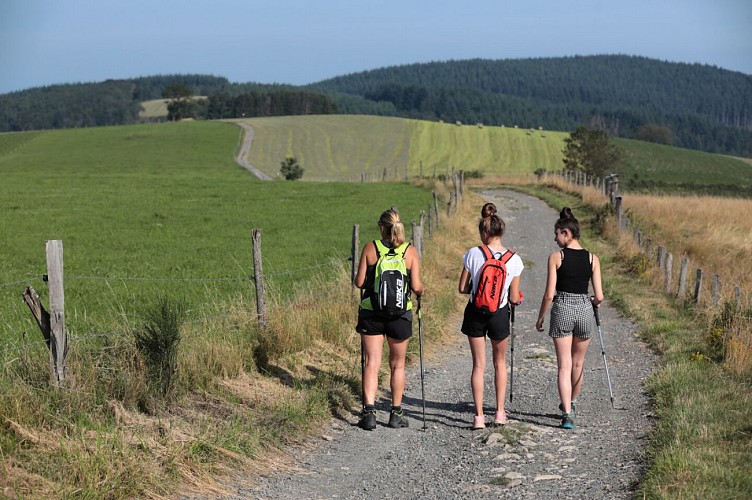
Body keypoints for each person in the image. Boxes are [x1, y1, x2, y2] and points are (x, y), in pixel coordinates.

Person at [354, 208, 424, 430]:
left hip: (371, 313)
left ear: (381, 227)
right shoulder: (409, 252)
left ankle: (369, 413)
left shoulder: (370, 248)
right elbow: (415, 286)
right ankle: (395, 413)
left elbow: (358, 282)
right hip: (400, 316)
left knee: (371, 363)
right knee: (398, 365)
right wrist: (421, 291)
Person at [535, 207, 604, 430]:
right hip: (584, 308)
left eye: (557, 234)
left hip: (562, 307)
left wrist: (541, 317)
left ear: (566, 233)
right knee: (578, 363)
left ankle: (566, 414)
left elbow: (548, 294)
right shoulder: (593, 259)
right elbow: (600, 296)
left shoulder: (556, 257)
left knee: (563, 365)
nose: (555, 239)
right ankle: (573, 402)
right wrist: (593, 302)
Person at [458, 202, 524, 430]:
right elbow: (514, 297)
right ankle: (499, 412)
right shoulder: (514, 259)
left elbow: (462, 288)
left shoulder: (472, 254)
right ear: (501, 232)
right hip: (499, 314)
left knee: (478, 365)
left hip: (475, 312)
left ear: (484, 232)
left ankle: (478, 417)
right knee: (500, 363)